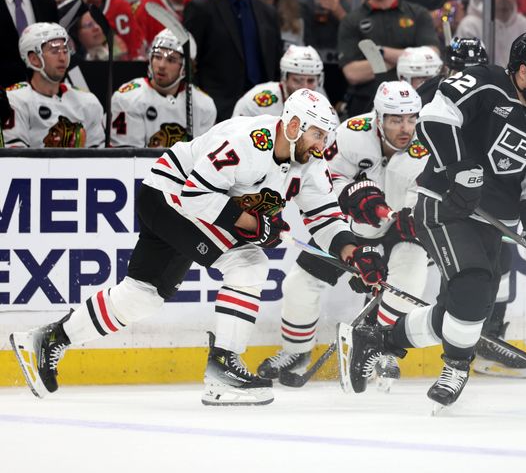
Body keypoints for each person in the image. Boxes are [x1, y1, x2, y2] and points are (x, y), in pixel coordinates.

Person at [9, 88, 388, 406]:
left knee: (143, 296)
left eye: (326, 136)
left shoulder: (309, 161)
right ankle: (222, 368)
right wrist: (257, 226)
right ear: (293, 125)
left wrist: (351, 253)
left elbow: (323, 215)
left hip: (183, 207)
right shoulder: (245, 141)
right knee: (249, 264)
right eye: (318, 135)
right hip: (169, 198)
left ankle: (49, 338)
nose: (323, 145)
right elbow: (195, 194)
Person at [339, 31, 526, 408]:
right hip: (443, 204)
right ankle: (457, 366)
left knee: (464, 306)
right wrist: (461, 168)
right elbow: (433, 118)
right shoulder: (484, 81)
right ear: (524, 72)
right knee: (476, 283)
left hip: (492, 220)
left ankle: (378, 339)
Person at [258, 80, 430, 390]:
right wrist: (351, 193)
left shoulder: (429, 141)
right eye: (395, 120)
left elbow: (431, 191)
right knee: (299, 284)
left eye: (410, 118)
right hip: (349, 228)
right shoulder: (350, 133)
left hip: (400, 230)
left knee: (410, 279)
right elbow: (325, 178)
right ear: (378, 118)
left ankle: (381, 348)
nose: (405, 128)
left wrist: (415, 215)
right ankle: (296, 352)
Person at [415, 37, 526, 379]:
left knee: (498, 265)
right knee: (461, 274)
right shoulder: (432, 96)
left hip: (481, 196)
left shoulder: (497, 92)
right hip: (437, 192)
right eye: (458, 69)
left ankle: (486, 331)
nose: (466, 75)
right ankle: (455, 340)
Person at [184, 0, 282, 122]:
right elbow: (189, 64)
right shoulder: (201, 9)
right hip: (216, 111)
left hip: (263, 110)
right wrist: (203, 105)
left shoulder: (268, 13)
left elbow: (276, 65)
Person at [337, 0, 439, 117]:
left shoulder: (418, 14)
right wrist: (410, 61)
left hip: (416, 105)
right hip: (366, 106)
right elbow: (352, 73)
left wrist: (381, 52)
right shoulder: (351, 21)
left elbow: (433, 57)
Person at [3, 22, 104, 148]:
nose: (63, 58)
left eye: (65, 50)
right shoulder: (14, 100)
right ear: (34, 58)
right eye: (55, 51)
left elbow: (99, 159)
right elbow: (15, 159)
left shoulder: (88, 102)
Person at [110, 28, 216, 147]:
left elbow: (202, 157)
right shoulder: (128, 98)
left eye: (171, 60)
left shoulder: (204, 105)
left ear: (187, 67)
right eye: (157, 56)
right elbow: (128, 158)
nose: (161, 65)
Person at [299, 0, 349, 106]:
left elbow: (365, 46)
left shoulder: (352, 9)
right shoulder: (301, 6)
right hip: (310, 81)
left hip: (347, 83)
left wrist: (339, 12)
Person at [232, 44, 323, 118]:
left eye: (310, 81)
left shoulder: (323, 105)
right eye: (297, 80)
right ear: (284, 78)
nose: (305, 88)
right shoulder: (256, 101)